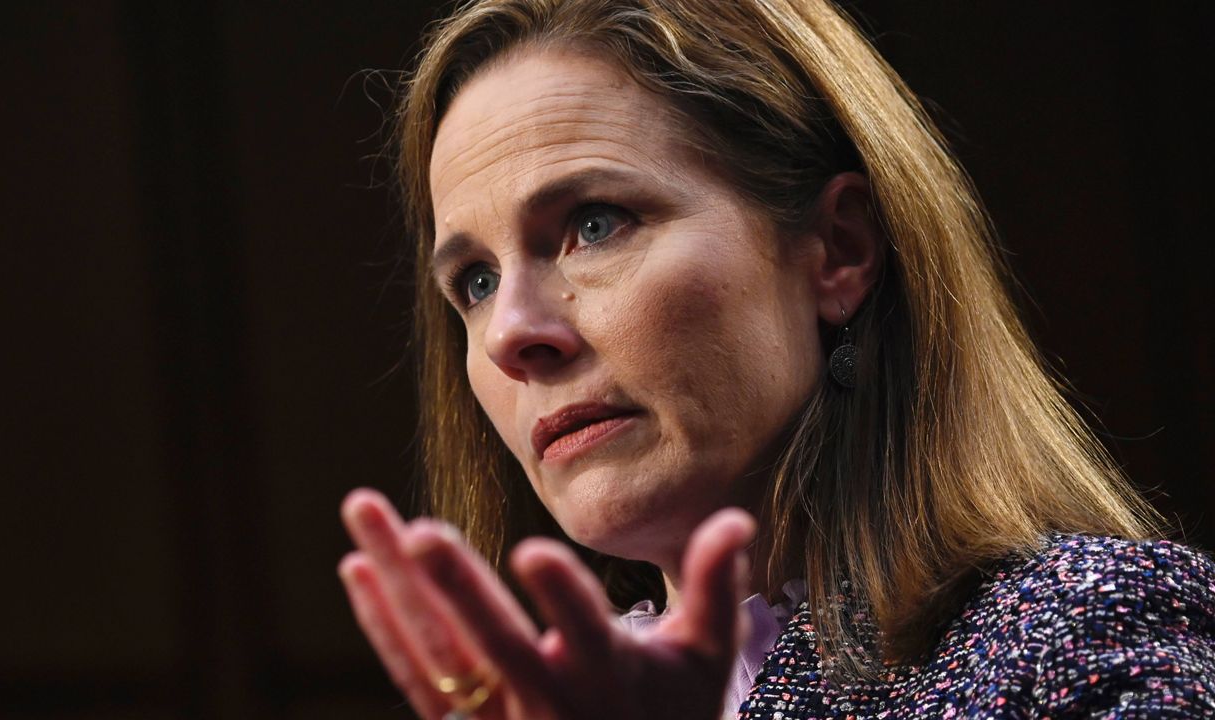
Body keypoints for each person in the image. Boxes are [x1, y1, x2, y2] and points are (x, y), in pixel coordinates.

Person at [336, 1, 1215, 718]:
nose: (509, 334)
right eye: (477, 280)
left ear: (837, 249)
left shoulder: (1088, 629)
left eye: (593, 224)